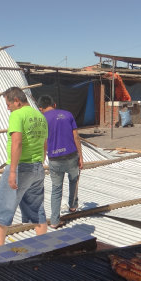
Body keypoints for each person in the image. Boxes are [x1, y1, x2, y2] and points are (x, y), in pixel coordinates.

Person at [0, 87, 48, 246]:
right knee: (37, 211)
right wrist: (40, 164)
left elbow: (17, 142)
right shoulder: (40, 116)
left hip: (20, 168)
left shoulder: (17, 114)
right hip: (37, 168)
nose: (7, 108)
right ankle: (43, 247)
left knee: (1, 212)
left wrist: (12, 172)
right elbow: (45, 145)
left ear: (16, 101)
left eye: (8, 104)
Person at [38, 95, 83, 228]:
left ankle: (55, 221)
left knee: (56, 190)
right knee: (74, 181)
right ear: (55, 104)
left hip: (55, 160)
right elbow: (76, 137)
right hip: (71, 156)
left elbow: (44, 141)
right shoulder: (67, 114)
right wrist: (80, 156)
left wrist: (43, 157)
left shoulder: (42, 119)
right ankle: (73, 205)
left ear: (41, 108)